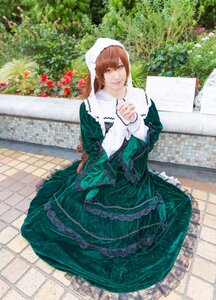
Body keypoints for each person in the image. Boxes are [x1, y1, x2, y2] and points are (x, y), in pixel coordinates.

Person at [21, 38, 199, 298]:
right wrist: (118, 126)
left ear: (127, 66)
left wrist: (136, 122)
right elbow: (95, 152)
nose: (116, 76)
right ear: (98, 74)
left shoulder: (141, 98)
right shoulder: (92, 107)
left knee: (164, 211)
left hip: (135, 179)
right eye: (108, 70)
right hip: (103, 178)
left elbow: (152, 134)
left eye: (120, 67)